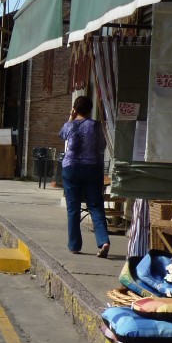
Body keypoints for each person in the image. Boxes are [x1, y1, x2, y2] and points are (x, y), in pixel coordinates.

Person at [59, 95, 110, 258]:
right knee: (95, 205)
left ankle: (74, 245)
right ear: (90, 109)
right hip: (92, 167)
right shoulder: (96, 126)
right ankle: (103, 241)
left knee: (73, 207)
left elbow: (62, 135)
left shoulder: (69, 126)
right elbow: (102, 145)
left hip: (71, 168)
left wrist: (71, 117)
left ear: (75, 109)